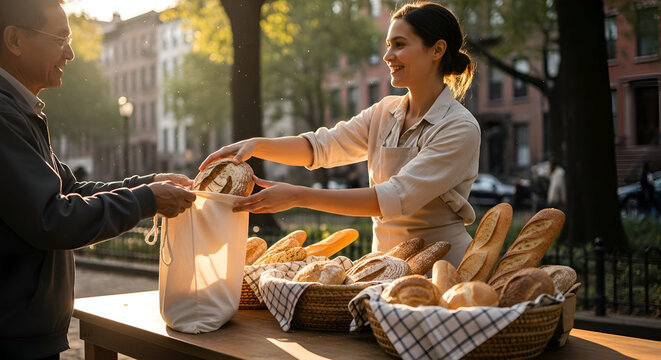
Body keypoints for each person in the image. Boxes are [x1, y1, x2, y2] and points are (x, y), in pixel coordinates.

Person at [200, 1, 480, 267]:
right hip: (383, 270)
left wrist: (299, 196)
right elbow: (321, 147)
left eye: (399, 45)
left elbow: (393, 198)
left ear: (437, 50)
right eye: (387, 45)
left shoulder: (459, 128)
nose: (387, 56)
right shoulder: (384, 112)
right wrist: (256, 145)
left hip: (443, 270)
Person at [0, 1, 196, 358]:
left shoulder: (18, 112)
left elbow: (71, 190)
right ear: (14, 39)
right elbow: (52, 217)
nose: (70, 53)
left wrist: (149, 183)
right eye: (60, 39)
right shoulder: (4, 118)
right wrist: (147, 200)